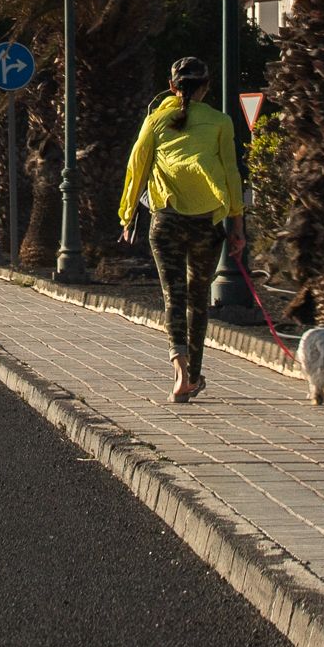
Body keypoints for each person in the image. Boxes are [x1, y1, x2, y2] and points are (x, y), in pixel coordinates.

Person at [117, 56, 244, 404]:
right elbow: (232, 174)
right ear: (206, 87)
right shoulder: (221, 122)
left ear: (172, 86)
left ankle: (180, 373)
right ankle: (195, 375)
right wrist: (237, 224)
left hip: (166, 220)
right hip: (207, 222)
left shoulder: (156, 121)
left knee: (173, 297)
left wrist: (127, 216)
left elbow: (136, 167)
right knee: (198, 301)